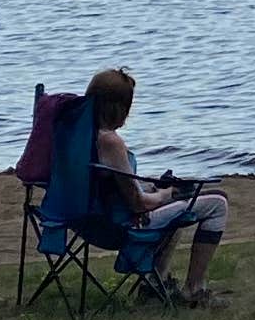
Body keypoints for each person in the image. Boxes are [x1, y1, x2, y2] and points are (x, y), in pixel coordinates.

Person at [85, 66, 230, 305]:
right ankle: (194, 288)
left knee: (179, 204)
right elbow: (138, 203)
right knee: (218, 203)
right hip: (120, 225)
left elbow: (112, 185)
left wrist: (156, 191)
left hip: (87, 219)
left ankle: (155, 284)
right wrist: (166, 194)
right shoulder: (110, 141)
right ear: (119, 108)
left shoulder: (79, 136)